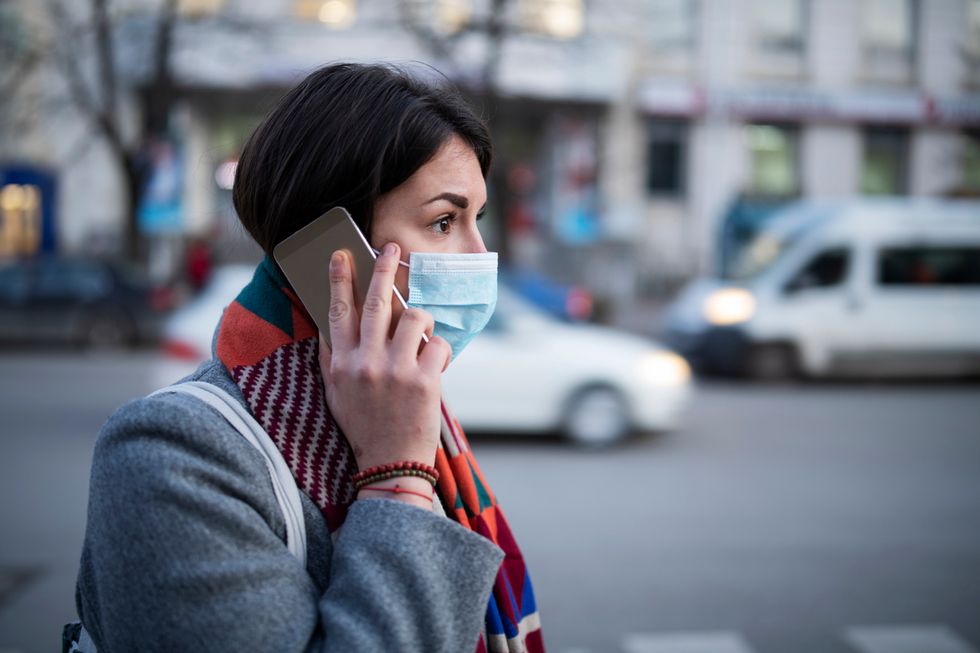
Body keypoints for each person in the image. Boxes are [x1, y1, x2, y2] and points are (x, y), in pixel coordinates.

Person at [71, 63, 544, 652]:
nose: (480, 254)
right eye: (444, 221)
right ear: (335, 253)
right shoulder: (170, 455)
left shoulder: (411, 409)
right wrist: (397, 474)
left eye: (478, 219)